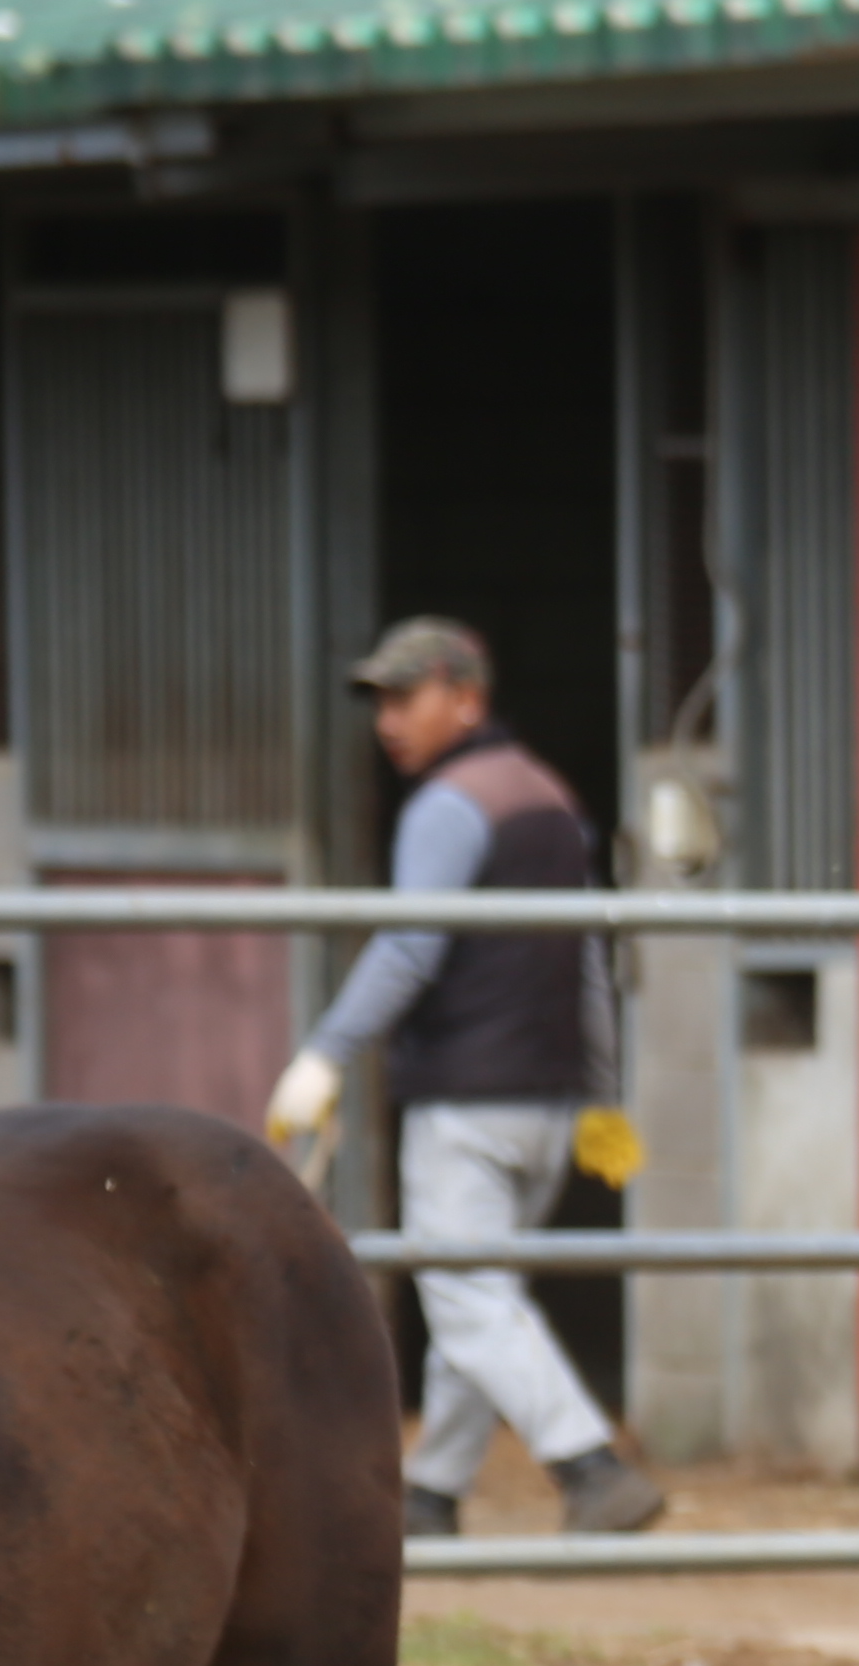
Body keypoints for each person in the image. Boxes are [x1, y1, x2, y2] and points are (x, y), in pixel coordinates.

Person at [262, 618, 666, 1540]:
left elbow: (411, 944)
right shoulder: (552, 799)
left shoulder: (451, 806)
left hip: (468, 1101)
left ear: (466, 698)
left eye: (406, 699)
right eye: (380, 704)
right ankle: (433, 1491)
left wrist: (327, 1052)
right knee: (478, 1297)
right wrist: (602, 1094)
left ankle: (589, 1465)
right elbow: (590, 960)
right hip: (551, 1104)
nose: (388, 722)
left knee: (469, 1292)